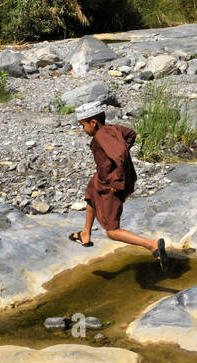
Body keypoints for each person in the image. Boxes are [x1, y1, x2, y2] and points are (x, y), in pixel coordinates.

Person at [69, 101, 168, 271]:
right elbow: (131, 134)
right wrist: (119, 148)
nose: (83, 130)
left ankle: (152, 245)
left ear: (93, 122)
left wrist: (116, 180)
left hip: (111, 184)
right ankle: (86, 234)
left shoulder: (102, 136)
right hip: (102, 179)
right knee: (91, 192)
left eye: (83, 125)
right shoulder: (113, 129)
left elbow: (120, 154)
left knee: (112, 231)